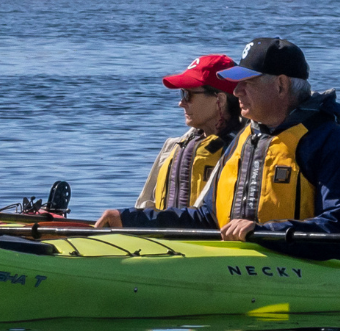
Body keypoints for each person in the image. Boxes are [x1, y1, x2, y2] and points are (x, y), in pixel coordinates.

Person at [202, 36, 340, 258]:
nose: (236, 92)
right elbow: (207, 217)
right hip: (242, 261)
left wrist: (263, 232)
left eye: (247, 83)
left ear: (281, 85)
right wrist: (143, 218)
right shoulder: (243, 139)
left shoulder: (329, 142)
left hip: (311, 269)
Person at [94, 54, 246, 228]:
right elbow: (145, 205)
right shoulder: (174, 147)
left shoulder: (244, 150)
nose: (181, 103)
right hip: (167, 243)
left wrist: (131, 219)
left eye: (188, 94)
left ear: (219, 99)